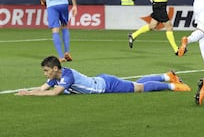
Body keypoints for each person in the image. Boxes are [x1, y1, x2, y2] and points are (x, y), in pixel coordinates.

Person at [16, 56, 191, 96]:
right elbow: (44, 88)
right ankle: (167, 76)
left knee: (139, 88)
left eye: (47, 70)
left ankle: (174, 86)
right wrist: (29, 91)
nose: (45, 74)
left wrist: (29, 93)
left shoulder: (66, 75)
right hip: (101, 80)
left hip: (107, 85)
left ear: (55, 68)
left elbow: (54, 93)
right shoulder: (57, 76)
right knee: (134, 83)